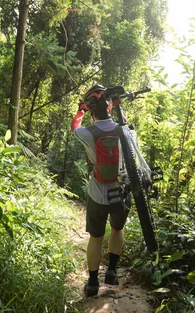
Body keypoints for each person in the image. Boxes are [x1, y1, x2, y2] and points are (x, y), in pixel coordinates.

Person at [70, 84, 130, 297]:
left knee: (95, 238)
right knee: (117, 229)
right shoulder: (126, 131)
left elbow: (74, 126)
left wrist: (80, 111)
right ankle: (112, 273)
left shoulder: (87, 133)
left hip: (97, 194)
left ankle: (93, 283)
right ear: (110, 106)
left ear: (92, 109)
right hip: (121, 192)